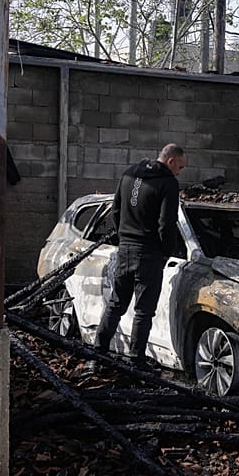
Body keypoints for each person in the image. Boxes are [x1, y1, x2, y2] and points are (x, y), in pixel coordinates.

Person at [90, 143, 187, 370]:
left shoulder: (129, 174)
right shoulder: (168, 183)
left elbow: (115, 210)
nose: (179, 172)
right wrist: (166, 252)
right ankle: (136, 361)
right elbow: (167, 223)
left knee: (115, 305)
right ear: (171, 161)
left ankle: (96, 356)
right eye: (180, 167)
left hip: (125, 250)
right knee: (143, 311)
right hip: (149, 253)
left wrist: (124, 237)